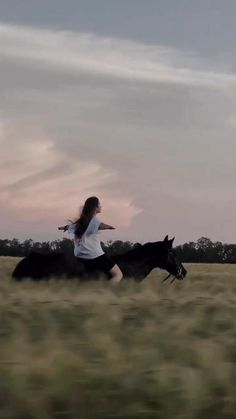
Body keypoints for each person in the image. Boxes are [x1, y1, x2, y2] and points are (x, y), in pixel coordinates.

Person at [58, 196, 123, 282]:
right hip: (93, 255)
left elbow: (72, 226)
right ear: (94, 208)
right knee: (118, 275)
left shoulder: (82, 220)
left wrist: (65, 227)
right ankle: (106, 293)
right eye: (99, 205)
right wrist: (110, 227)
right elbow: (100, 225)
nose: (100, 206)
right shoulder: (94, 220)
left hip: (79, 254)